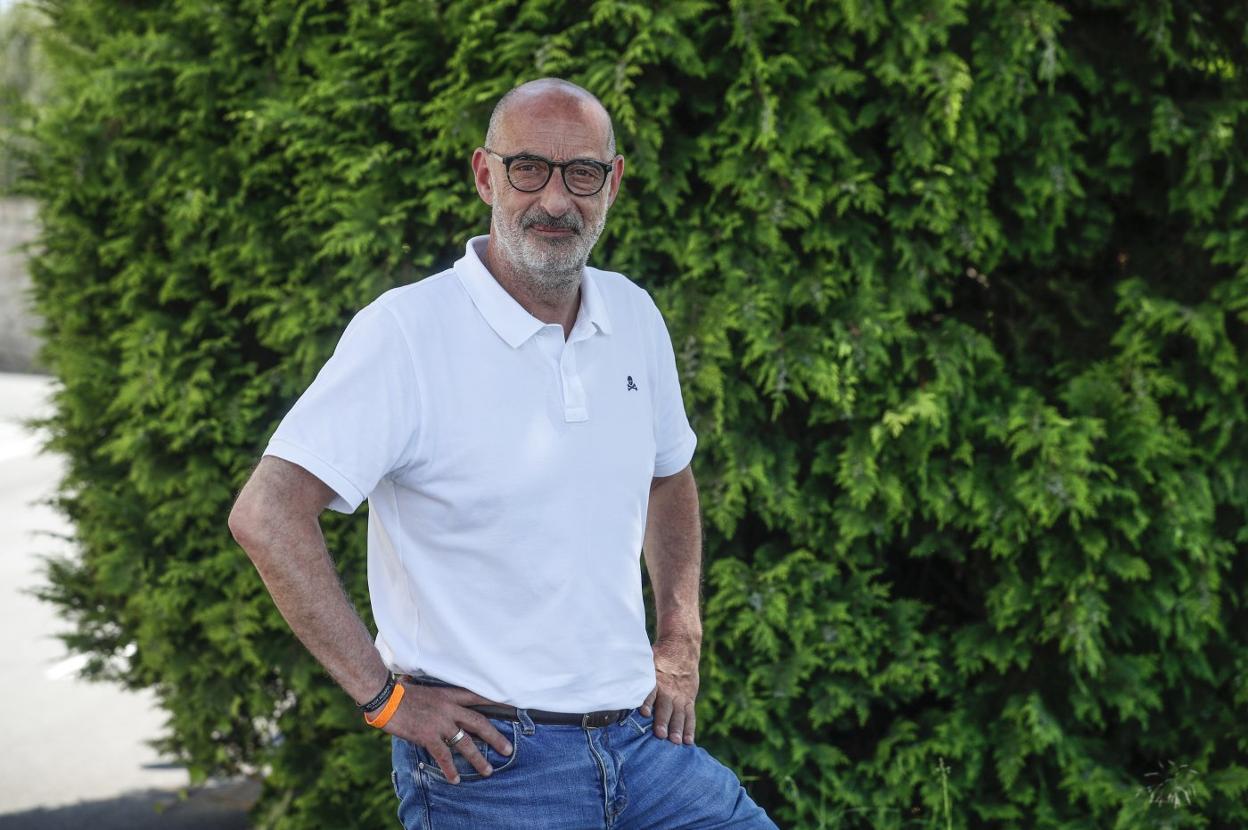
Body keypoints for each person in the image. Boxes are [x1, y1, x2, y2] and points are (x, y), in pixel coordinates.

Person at [228, 77, 778, 829]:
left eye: (582, 172)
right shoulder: (407, 333)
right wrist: (383, 697)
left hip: (647, 750)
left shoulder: (634, 315)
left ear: (612, 184)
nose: (556, 199)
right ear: (485, 174)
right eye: (529, 168)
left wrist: (680, 638)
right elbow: (266, 515)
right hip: (491, 771)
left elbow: (669, 475)